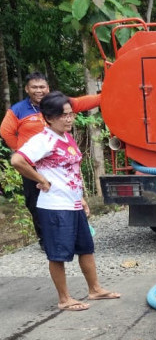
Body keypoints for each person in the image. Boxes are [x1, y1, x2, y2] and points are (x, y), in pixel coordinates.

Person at [10, 91, 119, 311]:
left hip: (73, 203)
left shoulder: (66, 136)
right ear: (49, 118)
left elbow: (72, 171)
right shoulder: (43, 139)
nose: (69, 119)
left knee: (86, 248)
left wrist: (82, 198)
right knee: (58, 254)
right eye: (63, 116)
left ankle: (95, 289)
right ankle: (64, 299)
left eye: (70, 114)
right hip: (55, 206)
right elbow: (17, 160)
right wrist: (41, 179)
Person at [1, 72, 101, 250]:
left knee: (65, 199)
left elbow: (82, 102)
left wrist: (104, 97)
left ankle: (69, 236)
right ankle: (45, 240)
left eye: (42, 87)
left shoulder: (59, 104)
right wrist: (21, 149)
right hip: (32, 165)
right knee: (36, 203)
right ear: (27, 89)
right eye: (34, 87)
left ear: (48, 87)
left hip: (59, 165)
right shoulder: (17, 109)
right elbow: (6, 131)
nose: (39, 90)